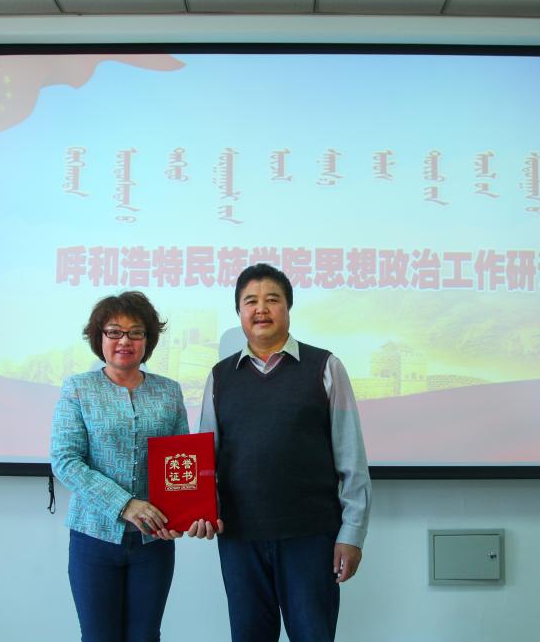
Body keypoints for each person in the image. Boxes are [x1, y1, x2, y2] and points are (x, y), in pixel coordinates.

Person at [190, 264, 372, 642]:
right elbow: (205, 458)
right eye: (250, 301)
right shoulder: (220, 376)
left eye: (272, 299)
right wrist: (199, 509)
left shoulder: (325, 367)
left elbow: (351, 458)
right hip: (241, 539)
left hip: (311, 537)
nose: (261, 309)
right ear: (238, 312)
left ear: (288, 307)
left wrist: (352, 533)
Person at [50, 291, 188, 642]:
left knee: (146, 636)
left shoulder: (169, 392)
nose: (125, 341)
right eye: (114, 331)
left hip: (153, 541)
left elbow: (182, 462)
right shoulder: (78, 389)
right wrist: (125, 504)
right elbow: (65, 461)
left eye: (135, 332)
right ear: (99, 338)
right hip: (93, 538)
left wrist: (182, 515)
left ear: (147, 340)